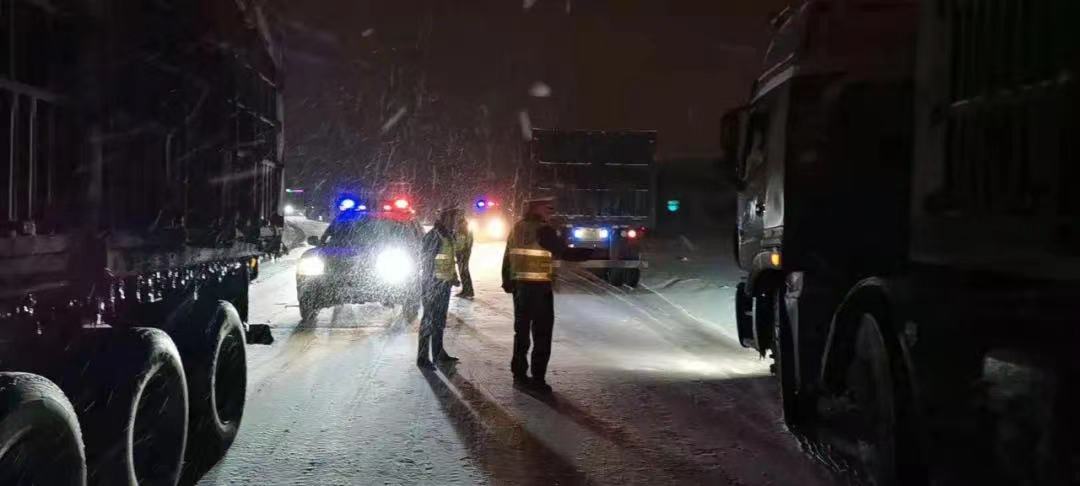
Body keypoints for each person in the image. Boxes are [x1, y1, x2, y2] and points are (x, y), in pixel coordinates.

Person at [501, 197, 589, 392]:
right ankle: (538, 378)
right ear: (536, 208)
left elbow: (507, 256)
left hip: (520, 288)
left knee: (521, 332)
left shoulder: (517, 228)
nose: (551, 212)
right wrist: (592, 253)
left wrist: (507, 280)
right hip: (539, 288)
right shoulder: (544, 230)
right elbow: (564, 253)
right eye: (547, 208)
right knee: (542, 333)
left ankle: (519, 373)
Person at [417, 207, 461, 370]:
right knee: (429, 320)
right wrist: (431, 285)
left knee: (439, 320)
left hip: (444, 285)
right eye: (453, 219)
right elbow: (427, 262)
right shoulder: (434, 236)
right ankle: (422, 358)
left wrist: (453, 277)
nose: (455, 222)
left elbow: (448, 260)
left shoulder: (447, 236)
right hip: (433, 285)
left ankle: (438, 353)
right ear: (445, 219)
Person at [453, 214, 475, 299]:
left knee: (464, 273)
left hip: (463, 255)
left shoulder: (466, 231)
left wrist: (464, 253)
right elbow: (455, 242)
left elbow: (468, 244)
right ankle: (466, 290)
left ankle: (468, 291)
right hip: (460, 254)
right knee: (463, 273)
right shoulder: (458, 231)